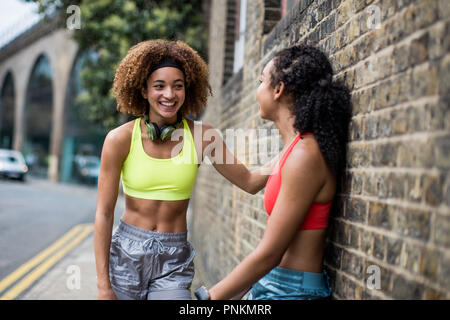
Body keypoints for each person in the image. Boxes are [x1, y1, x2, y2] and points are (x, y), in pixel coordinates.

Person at [94, 39, 278, 300]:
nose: (169, 95)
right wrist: (103, 285)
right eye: (159, 86)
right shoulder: (119, 140)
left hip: (173, 260)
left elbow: (249, 181)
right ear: (143, 91)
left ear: (187, 90)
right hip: (126, 256)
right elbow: (103, 213)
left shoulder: (203, 137)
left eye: (177, 86)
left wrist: (292, 149)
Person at [197, 44, 351, 300]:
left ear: (278, 90)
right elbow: (248, 180)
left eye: (261, 82)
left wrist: (206, 299)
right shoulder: (292, 150)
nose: (258, 90)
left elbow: (270, 253)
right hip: (272, 284)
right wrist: (207, 140)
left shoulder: (304, 155)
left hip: (292, 291)